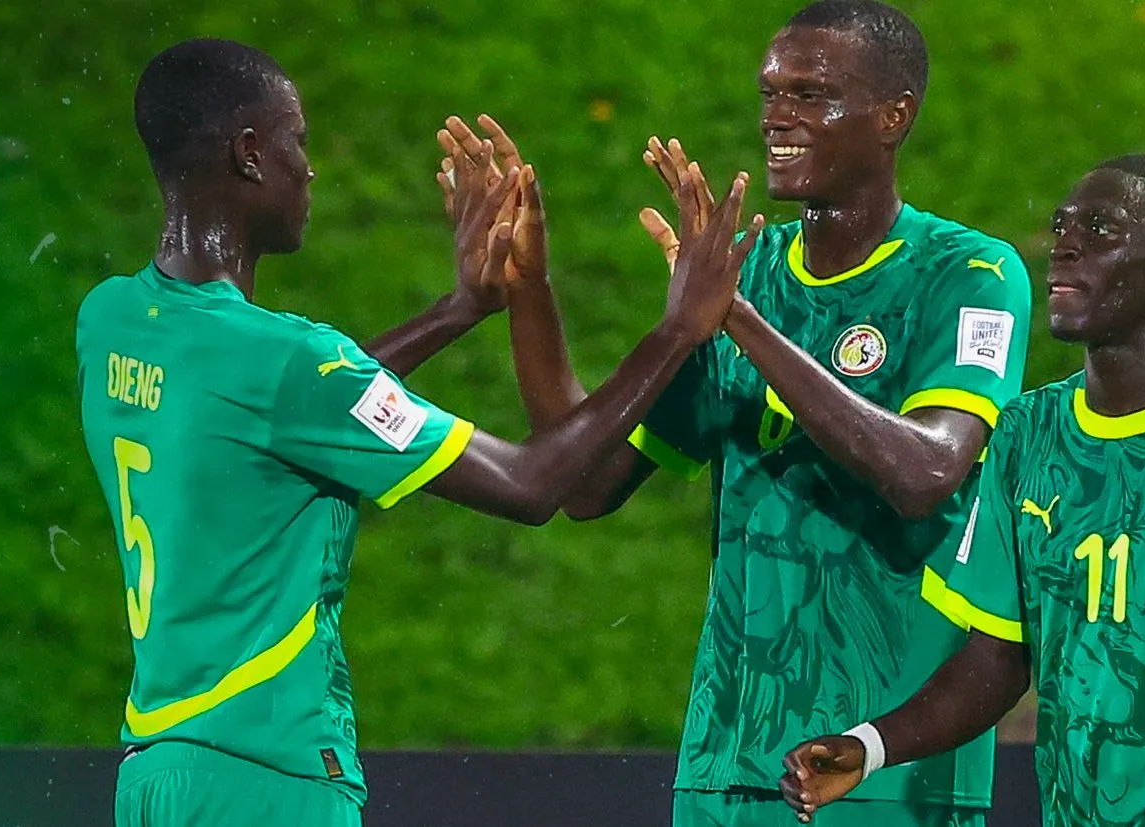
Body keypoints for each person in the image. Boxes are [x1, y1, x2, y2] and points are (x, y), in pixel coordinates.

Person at [75, 38, 762, 827]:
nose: (311, 167)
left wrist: (460, 309)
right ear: (251, 155)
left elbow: (280, 408)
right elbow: (534, 483)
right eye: (297, 140)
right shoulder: (288, 364)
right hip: (266, 779)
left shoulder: (114, 321)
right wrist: (677, 330)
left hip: (156, 773)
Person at [438, 1, 1032, 824]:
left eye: (811, 95)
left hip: (883, 768)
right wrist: (526, 290)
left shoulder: (966, 272)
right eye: (770, 94)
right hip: (727, 766)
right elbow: (585, 482)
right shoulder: (738, 278)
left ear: (894, 116)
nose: (778, 120)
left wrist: (739, 322)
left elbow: (926, 471)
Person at [781, 154, 1145, 826]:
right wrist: (869, 745)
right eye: (1061, 227)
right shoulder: (1027, 433)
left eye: (1100, 230)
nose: (1064, 245)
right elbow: (996, 657)